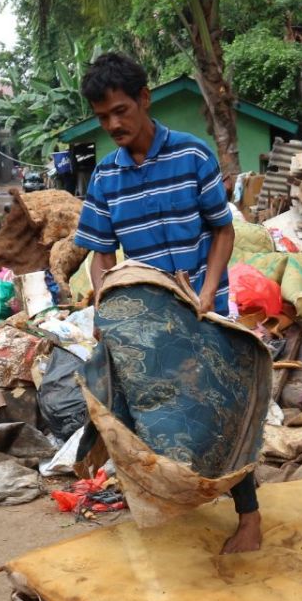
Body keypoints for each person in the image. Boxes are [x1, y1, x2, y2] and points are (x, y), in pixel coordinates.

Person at [74, 52, 262, 554]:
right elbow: (100, 255)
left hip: (206, 306)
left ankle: (249, 519)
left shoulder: (192, 156)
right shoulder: (105, 179)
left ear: (143, 99)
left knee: (227, 406)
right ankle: (171, 503)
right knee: (153, 412)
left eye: (120, 111)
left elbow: (223, 231)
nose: (113, 124)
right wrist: (104, 305)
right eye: (102, 118)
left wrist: (205, 294)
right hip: (149, 318)